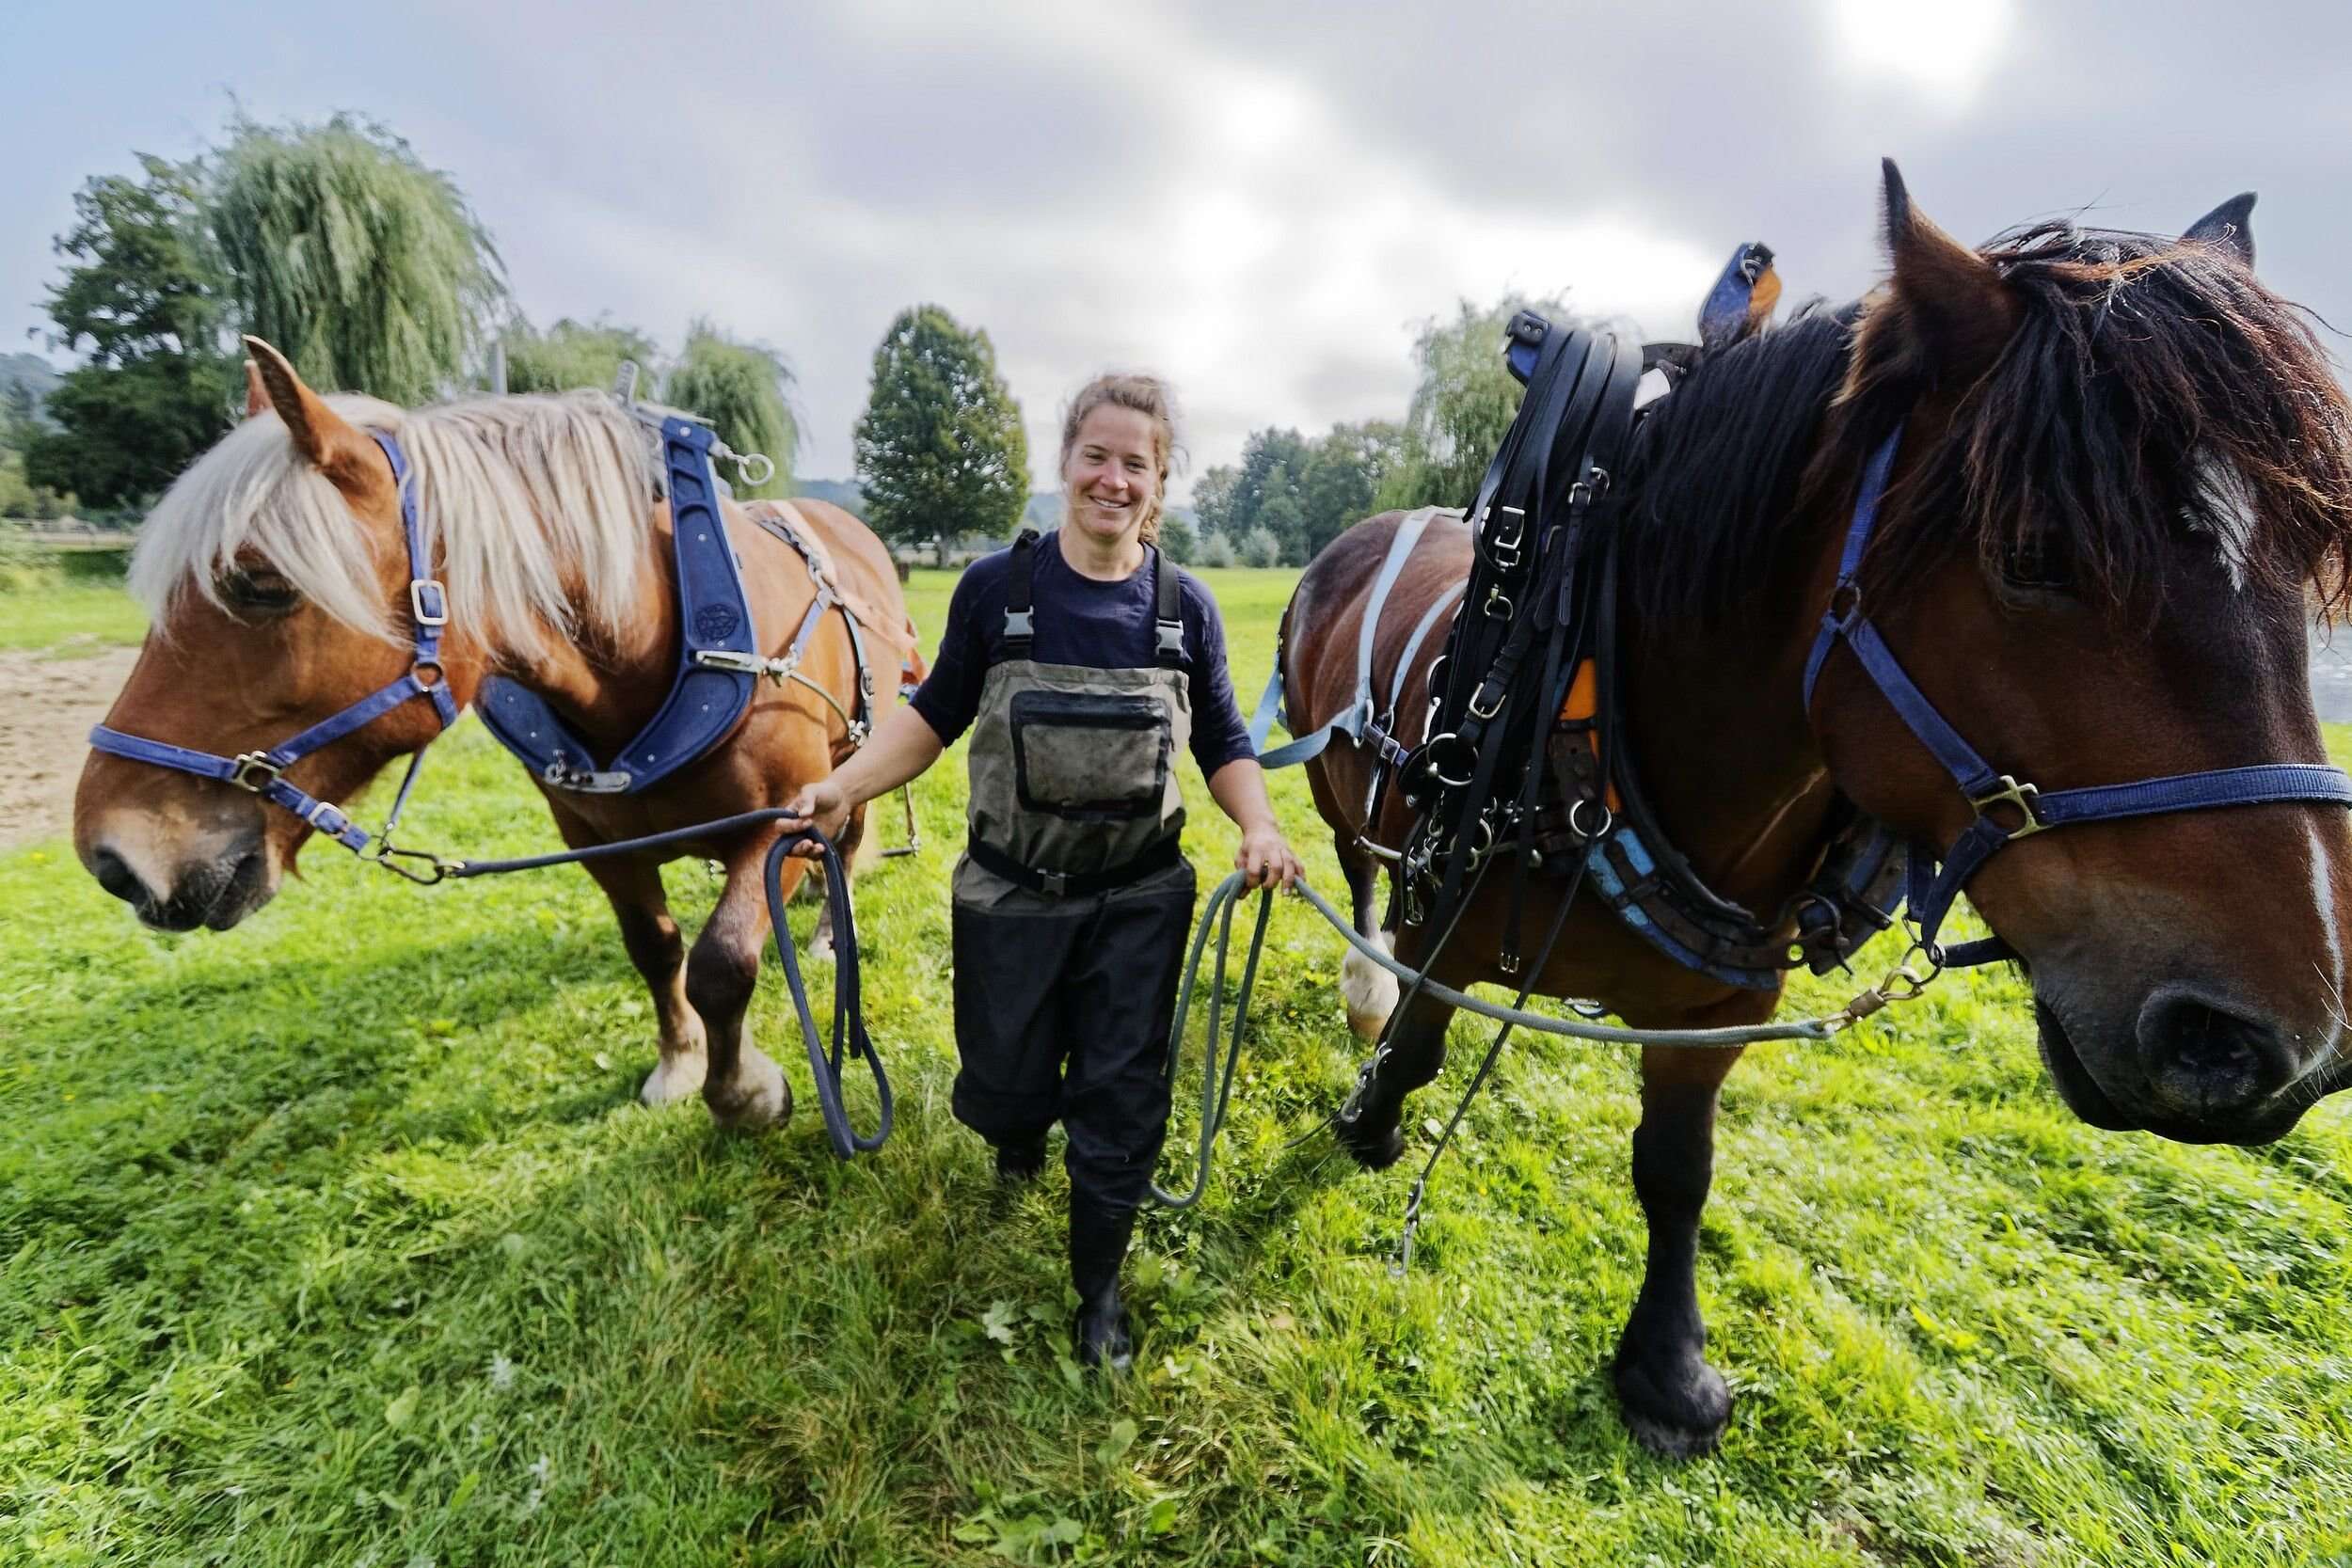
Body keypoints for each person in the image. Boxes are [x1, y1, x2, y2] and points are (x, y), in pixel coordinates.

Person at [780, 372, 1302, 1370]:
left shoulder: (1182, 606)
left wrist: (1262, 825)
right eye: (1095, 456)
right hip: (1010, 894)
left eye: (1134, 463)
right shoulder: (995, 591)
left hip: (1137, 900)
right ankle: (1020, 1127)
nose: (1112, 478)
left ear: (1159, 483)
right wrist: (843, 786)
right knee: (1008, 1090)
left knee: (1119, 1097)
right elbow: (932, 715)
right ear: (1064, 462)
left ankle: (1097, 1287)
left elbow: (1226, 739)